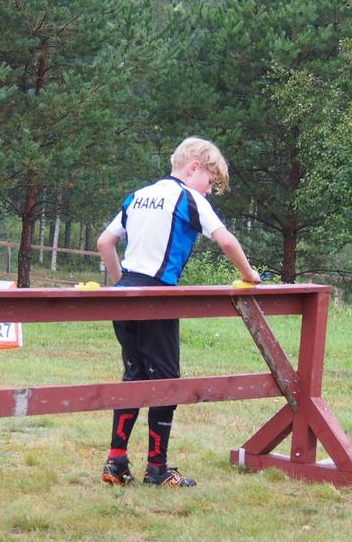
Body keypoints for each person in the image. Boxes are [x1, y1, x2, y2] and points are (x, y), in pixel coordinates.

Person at [96, 136, 261, 487]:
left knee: (133, 375)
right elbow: (226, 239)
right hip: (159, 296)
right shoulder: (188, 197)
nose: (210, 191)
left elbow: (105, 242)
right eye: (211, 182)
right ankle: (157, 468)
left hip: (125, 295)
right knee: (166, 381)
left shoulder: (138, 195)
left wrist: (122, 283)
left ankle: (116, 461)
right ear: (194, 167)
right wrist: (250, 275)